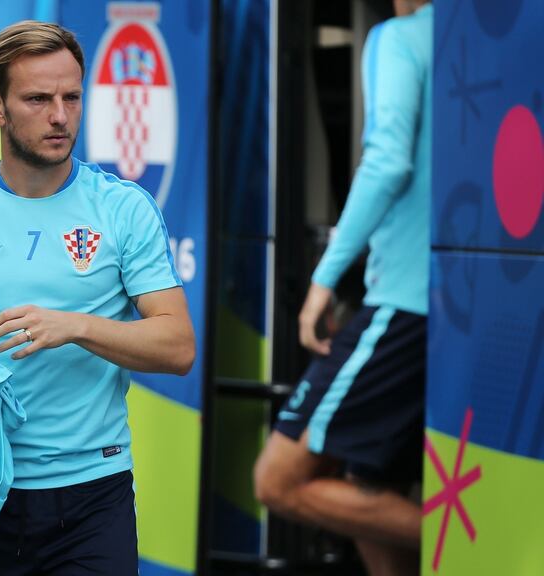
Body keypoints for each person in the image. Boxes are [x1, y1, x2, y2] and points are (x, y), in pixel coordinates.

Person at [0, 21, 195, 575]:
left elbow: (177, 346)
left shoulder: (123, 210)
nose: (60, 116)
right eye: (38, 99)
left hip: (92, 496)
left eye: (72, 97)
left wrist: (76, 325)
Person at [253, 2, 432, 575]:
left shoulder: (399, 37)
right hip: (460, 303)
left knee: (278, 479)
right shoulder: (476, 41)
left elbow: (387, 164)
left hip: (405, 300)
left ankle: (494, 543)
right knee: (366, 479)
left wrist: (323, 279)